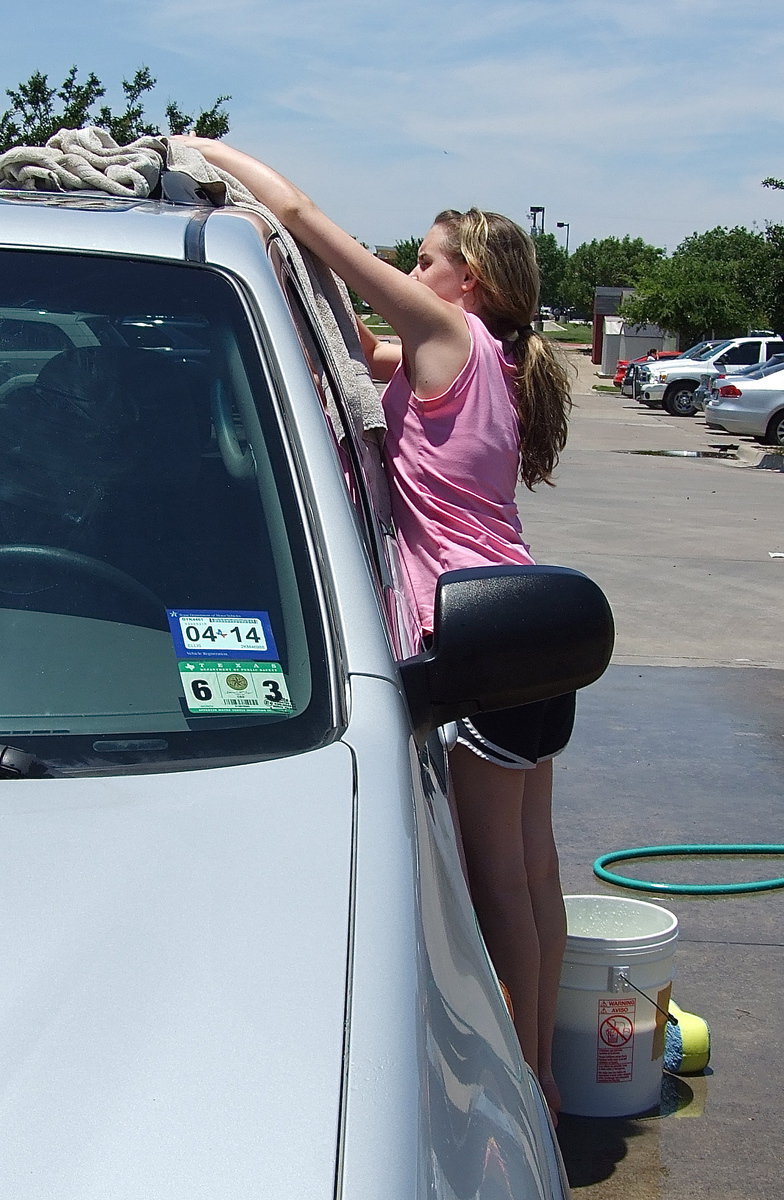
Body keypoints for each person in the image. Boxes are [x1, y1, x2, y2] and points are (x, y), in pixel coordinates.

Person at [174, 138, 574, 1118]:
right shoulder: (497, 357)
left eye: (429, 254)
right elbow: (352, 348)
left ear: (463, 278)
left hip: (468, 636)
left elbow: (309, 221)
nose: (416, 264)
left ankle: (529, 1093)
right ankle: (549, 1068)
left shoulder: (445, 328)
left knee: (494, 887)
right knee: (534, 868)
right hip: (527, 621)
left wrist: (208, 152)